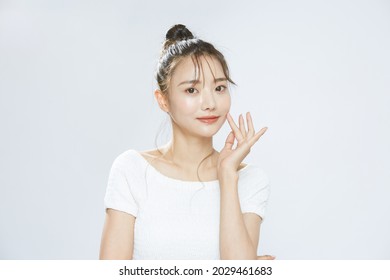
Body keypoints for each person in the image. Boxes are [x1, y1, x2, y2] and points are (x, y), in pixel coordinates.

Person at [99, 24, 274, 260]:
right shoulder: (132, 170)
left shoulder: (250, 180)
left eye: (220, 87)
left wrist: (227, 176)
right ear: (163, 100)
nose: (210, 102)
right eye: (192, 90)